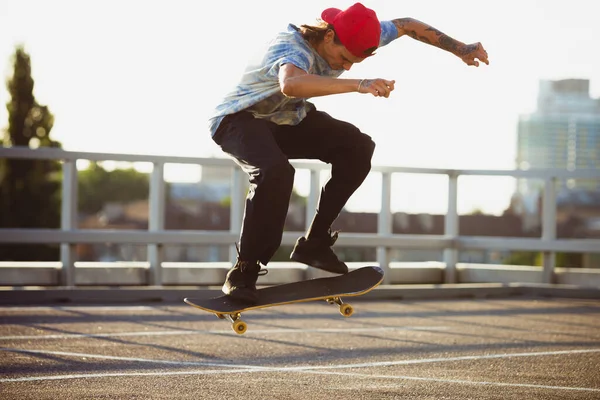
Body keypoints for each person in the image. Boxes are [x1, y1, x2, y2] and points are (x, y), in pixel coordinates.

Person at [208, 3, 489, 303]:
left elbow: (408, 25)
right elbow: (291, 84)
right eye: (344, 58)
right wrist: (359, 85)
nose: (346, 66)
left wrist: (460, 48)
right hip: (237, 121)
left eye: (354, 63)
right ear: (329, 36)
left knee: (357, 147)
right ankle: (243, 272)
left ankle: (314, 243)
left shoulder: (360, 33)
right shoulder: (292, 47)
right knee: (276, 171)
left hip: (286, 121)